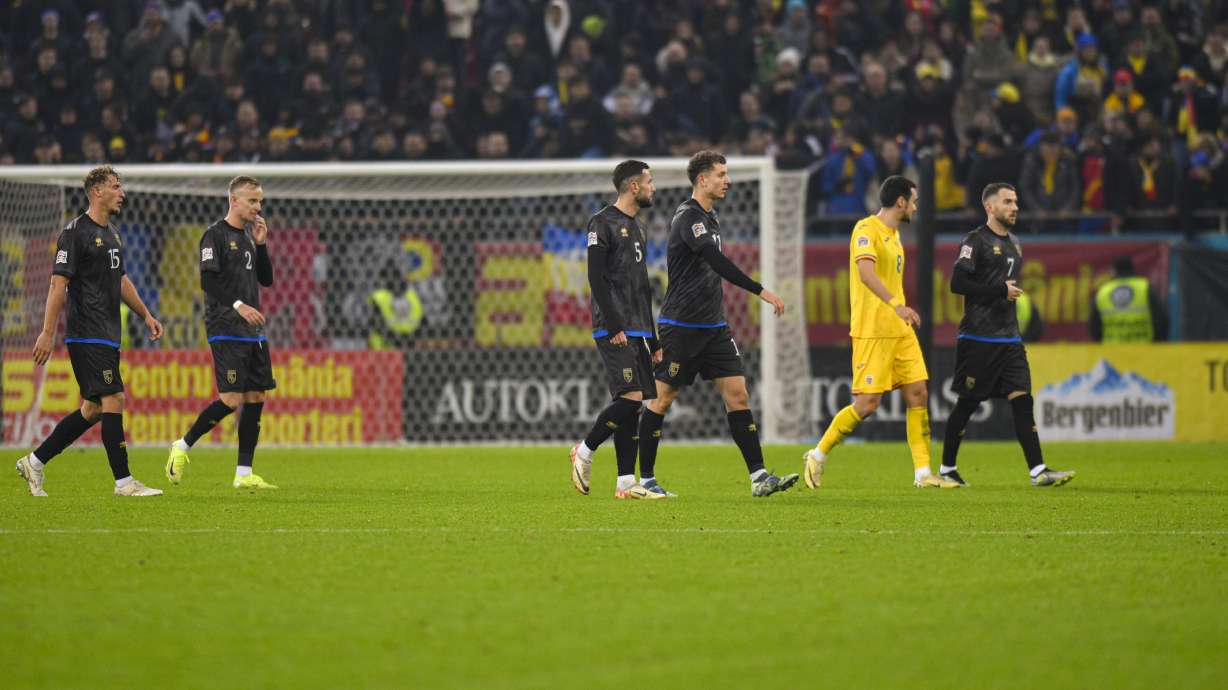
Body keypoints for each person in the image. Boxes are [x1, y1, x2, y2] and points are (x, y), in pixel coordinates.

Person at [635, 150, 796, 498]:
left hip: (713, 327)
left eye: (727, 174)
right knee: (663, 398)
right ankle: (644, 480)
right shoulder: (688, 218)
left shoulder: (711, 216)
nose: (728, 180)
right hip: (681, 326)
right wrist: (760, 290)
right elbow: (716, 261)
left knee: (738, 395)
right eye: (721, 174)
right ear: (702, 179)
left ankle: (759, 476)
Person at [15, 166, 165, 497]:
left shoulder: (113, 234)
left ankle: (35, 462)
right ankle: (124, 483)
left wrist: (145, 315)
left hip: (107, 332)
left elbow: (121, 280)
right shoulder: (75, 233)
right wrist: (46, 332)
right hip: (86, 332)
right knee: (113, 398)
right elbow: (58, 284)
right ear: (97, 191)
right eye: (115, 186)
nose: (122, 192)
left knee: (94, 408)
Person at [802, 176, 958, 490]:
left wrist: (899, 311)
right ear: (900, 201)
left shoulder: (896, 235)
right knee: (867, 404)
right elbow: (865, 272)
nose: (915, 206)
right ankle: (817, 455)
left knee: (918, 393)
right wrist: (895, 304)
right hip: (873, 330)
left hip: (899, 330)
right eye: (913, 200)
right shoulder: (865, 229)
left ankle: (923, 473)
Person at [940, 183, 1075, 488]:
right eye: (1007, 201)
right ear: (990, 207)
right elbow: (957, 283)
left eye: (1016, 201)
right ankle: (947, 468)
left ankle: (1038, 470)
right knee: (968, 404)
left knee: (1022, 400)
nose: (1015, 207)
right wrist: (1000, 289)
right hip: (978, 338)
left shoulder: (1015, 242)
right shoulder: (975, 240)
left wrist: (1003, 293)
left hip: (1010, 339)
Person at [165, 176, 277, 489]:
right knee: (230, 400)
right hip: (225, 327)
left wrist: (263, 245)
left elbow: (266, 280)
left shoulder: (248, 238)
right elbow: (208, 282)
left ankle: (244, 474)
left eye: (260, 201)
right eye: (253, 201)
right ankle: (182, 445)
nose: (258, 207)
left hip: (251, 331)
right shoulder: (214, 235)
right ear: (234, 200)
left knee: (256, 396)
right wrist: (239, 305)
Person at [569, 160, 665, 500]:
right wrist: (613, 324)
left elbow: (642, 288)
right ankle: (584, 449)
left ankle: (626, 482)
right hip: (615, 327)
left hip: (638, 328)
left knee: (633, 404)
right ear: (634, 186)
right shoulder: (602, 222)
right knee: (631, 397)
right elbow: (595, 276)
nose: (655, 187)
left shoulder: (636, 227)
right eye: (650, 181)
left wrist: (652, 338)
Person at [1090, 256, 1168, 342]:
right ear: (1132, 269)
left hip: (1112, 351)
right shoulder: (1145, 288)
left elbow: (1094, 326)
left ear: (1113, 271)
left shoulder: (1103, 292)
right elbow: (1161, 320)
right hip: (1143, 351)